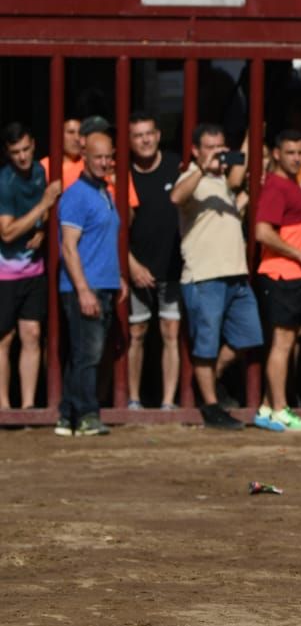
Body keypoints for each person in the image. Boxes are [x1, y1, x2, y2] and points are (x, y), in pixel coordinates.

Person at [171, 124, 262, 432]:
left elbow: (237, 178)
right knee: (205, 345)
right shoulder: (191, 176)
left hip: (236, 273)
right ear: (196, 150)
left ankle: (211, 382)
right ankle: (211, 406)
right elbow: (176, 197)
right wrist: (201, 167)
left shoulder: (222, 180)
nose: (218, 153)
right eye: (210, 147)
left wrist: (251, 132)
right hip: (204, 276)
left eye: (222, 147)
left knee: (248, 336)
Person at [55, 131, 126, 437]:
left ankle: (68, 415)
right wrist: (83, 289)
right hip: (84, 286)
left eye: (108, 156)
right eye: (98, 157)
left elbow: (102, 241)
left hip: (103, 283)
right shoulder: (76, 195)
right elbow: (69, 248)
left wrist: (117, 276)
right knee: (89, 354)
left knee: (85, 353)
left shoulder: (104, 192)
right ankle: (86, 415)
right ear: (84, 157)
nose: (104, 162)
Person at [253, 129, 301, 433]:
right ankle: (279, 410)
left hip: (291, 276)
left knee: (286, 342)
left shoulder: (289, 186)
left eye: (300, 153)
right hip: (282, 274)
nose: (296, 158)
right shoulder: (277, 188)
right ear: (276, 154)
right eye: (290, 152)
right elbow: (263, 232)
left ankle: (268, 408)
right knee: (282, 344)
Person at [0, 124, 61, 415]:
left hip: (33, 269)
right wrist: (43, 207)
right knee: (4, 337)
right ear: (8, 154)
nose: (22, 157)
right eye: (15, 152)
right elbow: (8, 233)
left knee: (33, 333)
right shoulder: (5, 181)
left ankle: (27, 405)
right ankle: (4, 407)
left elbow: (46, 211)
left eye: (26, 149)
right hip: (5, 272)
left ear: (33, 144)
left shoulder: (41, 171)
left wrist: (42, 227)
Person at [125, 112, 183, 412]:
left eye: (149, 133)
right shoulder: (123, 173)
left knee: (171, 333)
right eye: (138, 135)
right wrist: (131, 265)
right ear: (129, 141)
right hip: (136, 267)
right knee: (136, 334)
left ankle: (168, 401)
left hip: (172, 267)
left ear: (158, 135)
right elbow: (115, 225)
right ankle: (133, 399)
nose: (145, 140)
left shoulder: (177, 166)